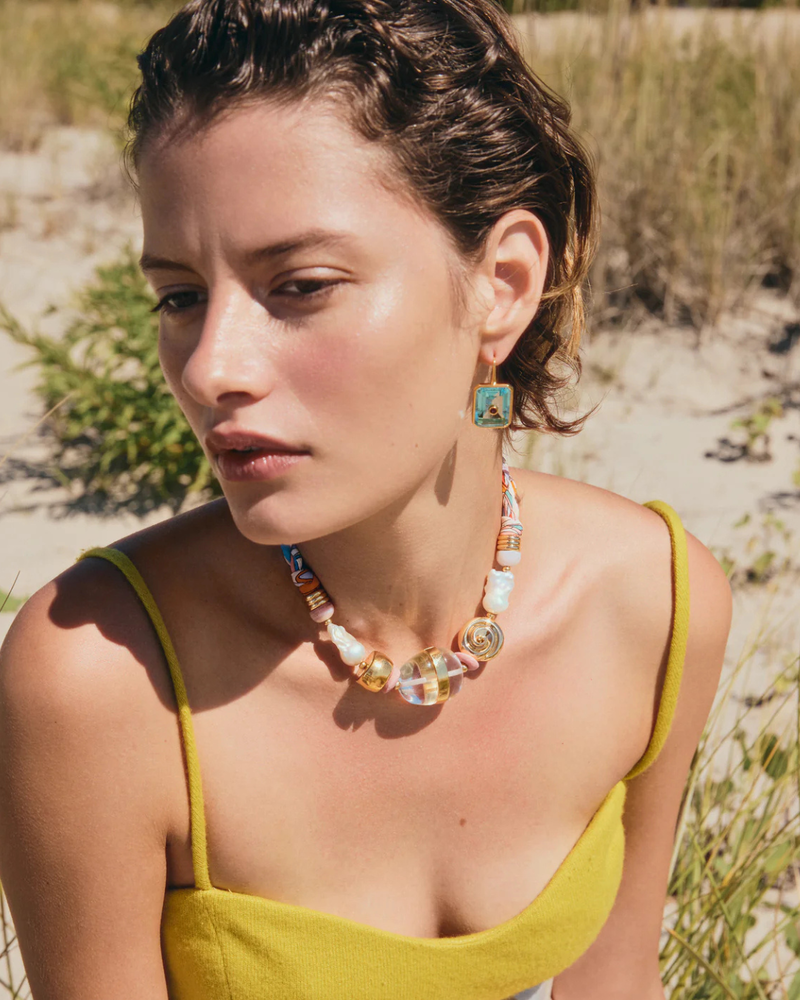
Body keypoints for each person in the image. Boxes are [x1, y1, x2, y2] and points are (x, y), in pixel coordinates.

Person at [0, 1, 732, 998]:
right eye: (179, 296)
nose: (209, 367)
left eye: (299, 285)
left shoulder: (653, 602)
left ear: (502, 284)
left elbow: (616, 981)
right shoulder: (106, 679)